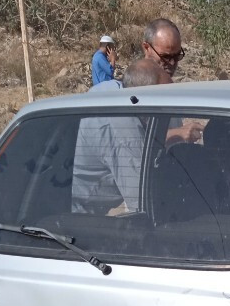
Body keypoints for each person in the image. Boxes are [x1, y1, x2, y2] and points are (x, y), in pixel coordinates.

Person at [72, 59, 170, 215]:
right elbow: (142, 206)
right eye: (165, 102)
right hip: (73, 220)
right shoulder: (125, 131)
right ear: (145, 100)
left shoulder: (115, 90)